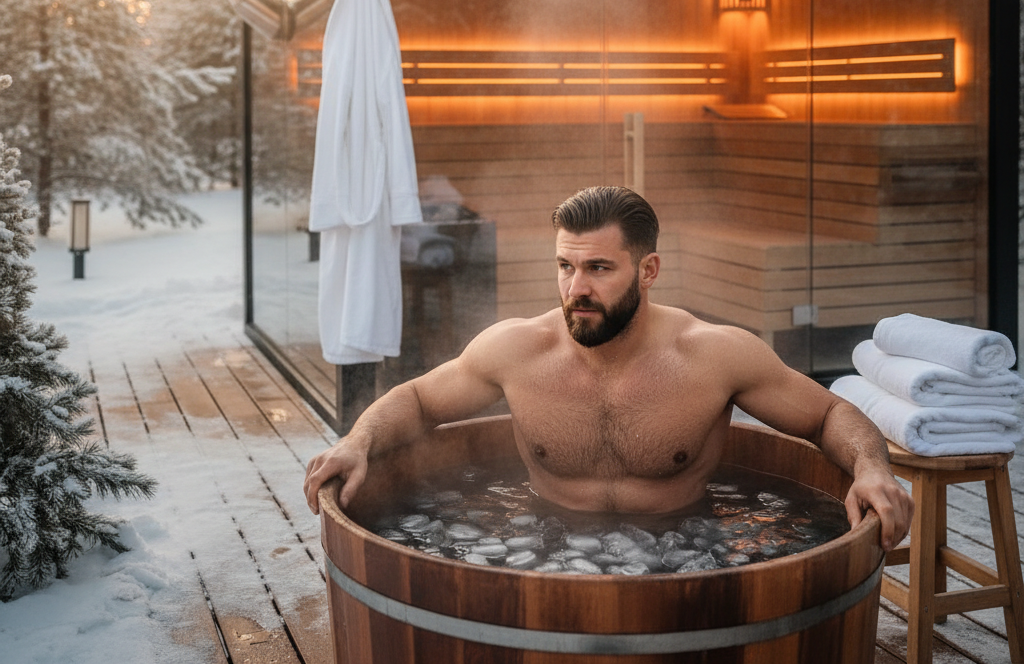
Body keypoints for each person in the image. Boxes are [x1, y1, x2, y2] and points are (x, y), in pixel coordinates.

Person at [304, 186, 914, 551]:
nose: (576, 288)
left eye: (598, 268)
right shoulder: (517, 349)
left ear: (647, 271)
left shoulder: (714, 354)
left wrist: (870, 468)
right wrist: (359, 441)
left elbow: (829, 412)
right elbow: (418, 400)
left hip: (690, 548)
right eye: (566, 267)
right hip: (540, 542)